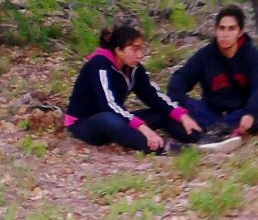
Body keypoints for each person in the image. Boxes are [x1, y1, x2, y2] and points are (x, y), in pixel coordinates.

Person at [64, 25, 241, 154]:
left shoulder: (133, 69)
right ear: (118, 50)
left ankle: (203, 139)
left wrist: (181, 115)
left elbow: (154, 96)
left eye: (141, 49)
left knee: (161, 113)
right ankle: (166, 148)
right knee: (109, 118)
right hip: (85, 124)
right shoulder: (99, 65)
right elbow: (110, 106)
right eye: (134, 49)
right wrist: (144, 129)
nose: (140, 55)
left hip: (115, 118)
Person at [167, 5, 258, 137]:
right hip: (211, 110)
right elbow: (181, 77)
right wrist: (180, 109)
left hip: (241, 111)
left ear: (240, 32)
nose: (225, 34)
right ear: (216, 30)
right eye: (221, 28)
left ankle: (219, 128)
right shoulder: (205, 55)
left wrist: (250, 114)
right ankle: (221, 128)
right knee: (178, 107)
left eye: (231, 29)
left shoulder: (251, 55)